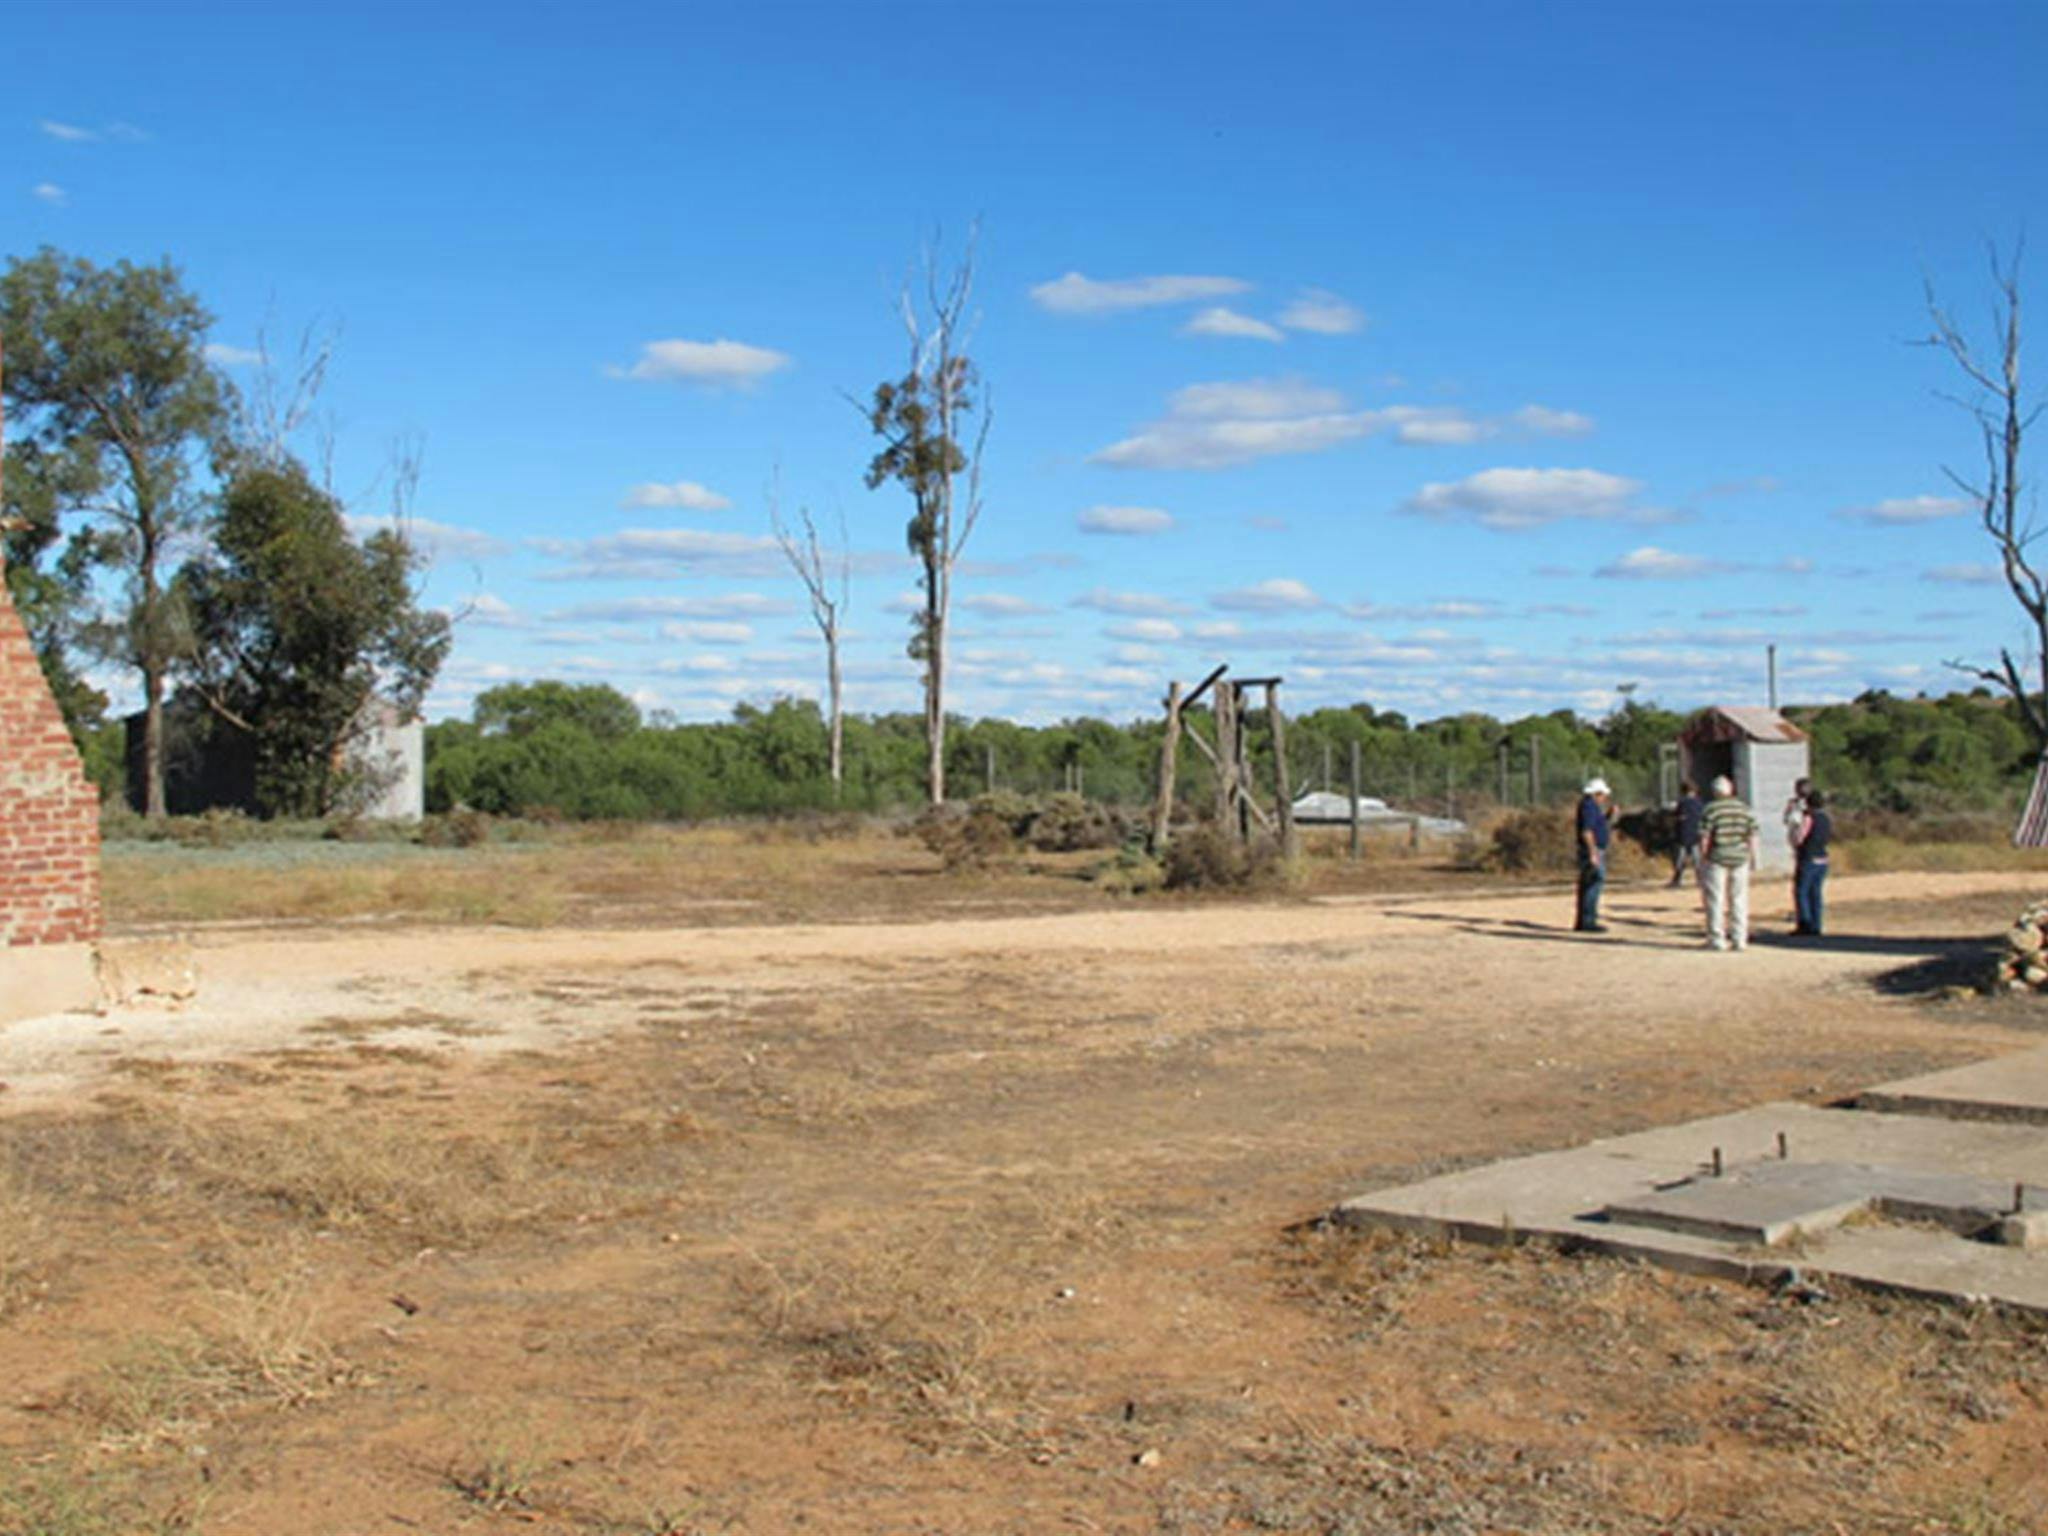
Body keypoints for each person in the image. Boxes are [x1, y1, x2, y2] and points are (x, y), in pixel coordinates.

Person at [1699, 775, 1759, 951]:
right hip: (1740, 858)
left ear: (1715, 792)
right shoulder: (1744, 809)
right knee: (1739, 898)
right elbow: (1753, 835)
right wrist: (1753, 858)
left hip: (1717, 858)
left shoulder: (1711, 809)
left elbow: (1705, 837)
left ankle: (1716, 938)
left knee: (1715, 899)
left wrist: (1703, 858)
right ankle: (1740, 939)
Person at [1575, 777, 1613, 933]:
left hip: (1595, 849)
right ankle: (1588, 920)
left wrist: (1608, 816)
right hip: (1593, 849)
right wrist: (1593, 852)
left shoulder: (1591, 807)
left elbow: (1598, 825)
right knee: (1594, 882)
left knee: (1589, 883)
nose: (1604, 798)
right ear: (1597, 793)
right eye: (1603, 795)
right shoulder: (1589, 807)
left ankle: (1584, 920)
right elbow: (1587, 831)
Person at [1793, 788, 1832, 936]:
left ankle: (1805, 923)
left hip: (1809, 857)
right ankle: (1817, 924)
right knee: (1816, 893)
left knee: (1802, 891)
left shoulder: (1809, 818)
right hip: (1823, 858)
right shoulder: (1826, 819)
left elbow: (1799, 838)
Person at [1669, 778, 1704, 887]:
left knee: (1680, 858)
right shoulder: (1699, 803)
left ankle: (1677, 880)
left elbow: (1677, 817)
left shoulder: (1682, 803)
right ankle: (1700, 879)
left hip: (1683, 834)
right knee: (1697, 859)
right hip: (1696, 834)